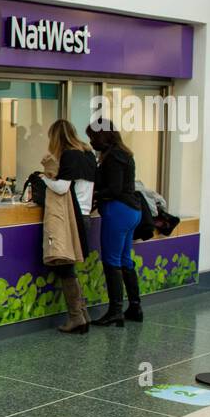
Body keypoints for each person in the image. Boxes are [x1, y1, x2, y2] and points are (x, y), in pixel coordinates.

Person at [40, 120, 98, 334]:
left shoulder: (69, 156)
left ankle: (76, 317)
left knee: (64, 266)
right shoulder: (88, 153)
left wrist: (43, 178)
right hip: (84, 215)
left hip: (70, 217)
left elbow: (62, 188)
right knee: (70, 266)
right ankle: (83, 313)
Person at [87, 121, 142, 326]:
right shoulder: (123, 153)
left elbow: (115, 189)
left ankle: (115, 310)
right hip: (130, 211)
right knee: (125, 260)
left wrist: (94, 194)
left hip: (117, 210)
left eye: (93, 137)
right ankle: (135, 306)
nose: (91, 141)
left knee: (111, 261)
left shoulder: (115, 157)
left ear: (103, 136)